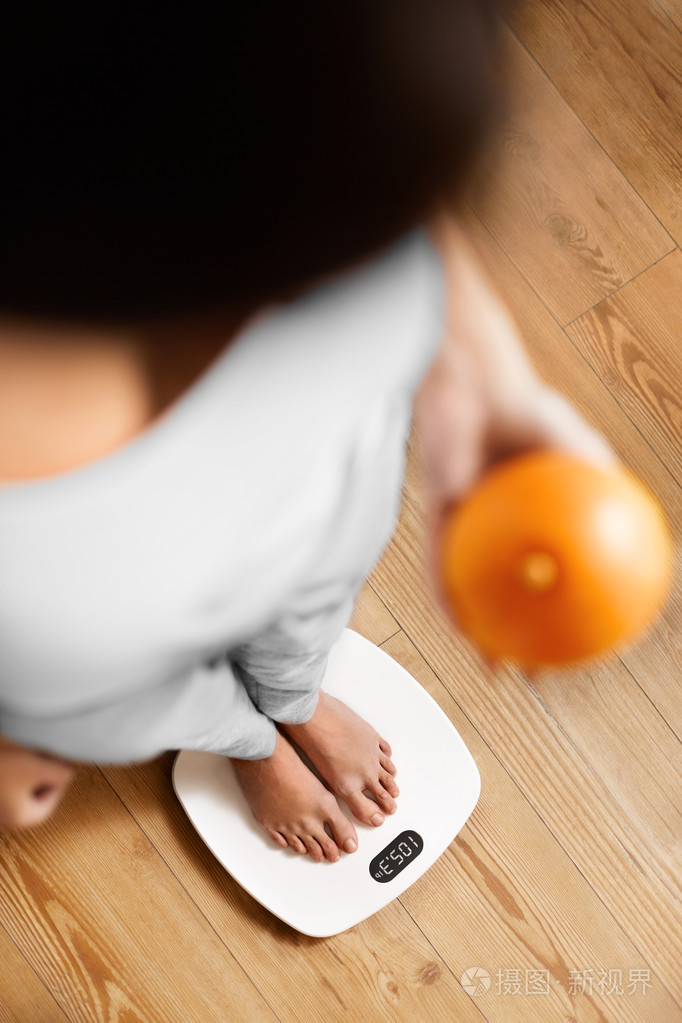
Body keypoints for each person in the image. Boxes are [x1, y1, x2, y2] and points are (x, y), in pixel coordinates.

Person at [0, 4, 613, 854]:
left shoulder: (329, 103)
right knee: (129, 697)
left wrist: (479, 367)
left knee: (316, 582)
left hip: (326, 460)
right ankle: (247, 739)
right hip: (75, 635)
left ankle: (294, 695)